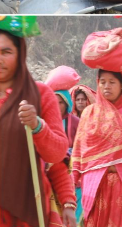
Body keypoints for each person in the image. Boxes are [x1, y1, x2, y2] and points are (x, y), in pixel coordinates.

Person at [0, 20, 69, 227]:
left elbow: (57, 155)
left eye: (6, 52)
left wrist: (38, 126)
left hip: (28, 206)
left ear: (20, 54)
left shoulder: (40, 94)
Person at [71, 68, 122, 227]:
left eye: (112, 82)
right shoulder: (90, 113)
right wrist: (71, 183)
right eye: (102, 82)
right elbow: (79, 149)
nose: (106, 86)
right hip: (95, 186)